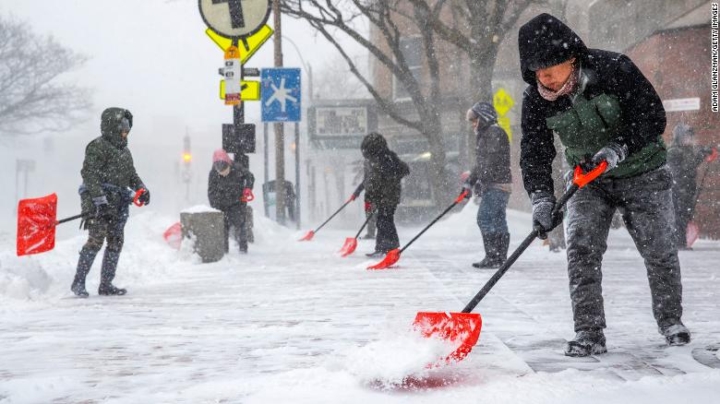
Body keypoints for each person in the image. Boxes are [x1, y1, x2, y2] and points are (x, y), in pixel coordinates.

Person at [518, 13, 690, 357]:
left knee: (658, 248)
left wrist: (619, 146)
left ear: (571, 58)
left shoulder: (614, 69)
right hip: (588, 179)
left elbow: (652, 114)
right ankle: (589, 332)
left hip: (643, 172)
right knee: (580, 248)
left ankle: (671, 320)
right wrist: (540, 199)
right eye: (537, 71)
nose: (545, 78)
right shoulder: (536, 99)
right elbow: (535, 153)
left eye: (550, 68)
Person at [71, 107, 150, 298]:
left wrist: (142, 188)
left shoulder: (125, 151)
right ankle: (78, 283)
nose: (126, 131)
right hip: (97, 202)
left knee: (116, 241)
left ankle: (106, 284)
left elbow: (132, 175)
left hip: (119, 203)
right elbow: (89, 175)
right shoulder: (97, 147)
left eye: (128, 127)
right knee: (96, 240)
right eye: (123, 126)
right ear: (111, 126)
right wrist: (100, 201)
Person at [462, 102, 512, 269]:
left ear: (484, 118)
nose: (473, 125)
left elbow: (490, 162)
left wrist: (480, 181)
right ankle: (499, 257)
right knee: (498, 219)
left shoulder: (493, 133)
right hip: (498, 183)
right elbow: (482, 164)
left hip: (496, 184)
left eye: (475, 120)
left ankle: (494, 256)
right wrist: (470, 181)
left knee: (484, 218)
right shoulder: (488, 133)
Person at [356, 132, 409, 257]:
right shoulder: (378, 159)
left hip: (389, 196)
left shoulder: (386, 159)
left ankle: (389, 247)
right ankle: (385, 248)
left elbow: (400, 172)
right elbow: (372, 180)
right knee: (383, 220)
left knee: (385, 220)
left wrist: (385, 186)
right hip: (382, 196)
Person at [667, 123, 716, 250]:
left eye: (690, 137)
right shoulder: (673, 152)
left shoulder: (687, 150)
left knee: (684, 216)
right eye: (686, 137)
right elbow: (682, 170)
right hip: (677, 190)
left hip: (687, 190)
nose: (689, 139)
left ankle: (680, 241)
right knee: (679, 216)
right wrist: (701, 155)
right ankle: (679, 243)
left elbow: (692, 161)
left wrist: (704, 152)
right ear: (679, 137)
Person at [208, 149, 255, 254]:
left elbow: (250, 177)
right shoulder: (213, 174)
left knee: (240, 225)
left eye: (225, 170)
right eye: (221, 172)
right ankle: (224, 252)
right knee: (223, 229)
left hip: (237, 202)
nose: (223, 173)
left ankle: (243, 249)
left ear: (229, 164)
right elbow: (211, 192)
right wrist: (216, 207)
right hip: (221, 205)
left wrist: (248, 188)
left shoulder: (238, 168)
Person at [352, 159, 377, 240]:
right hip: (369, 194)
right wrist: (357, 192)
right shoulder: (367, 162)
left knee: (375, 215)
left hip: (377, 193)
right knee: (369, 214)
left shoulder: (379, 161)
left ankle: (382, 235)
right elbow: (365, 180)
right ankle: (371, 233)